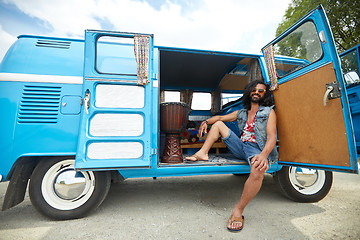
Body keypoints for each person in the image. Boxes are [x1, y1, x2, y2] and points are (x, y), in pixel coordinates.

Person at [185, 80, 278, 232]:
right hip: (241, 147)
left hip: (257, 149)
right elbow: (221, 118)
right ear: (249, 92)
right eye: (254, 90)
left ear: (265, 94)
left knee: (258, 170)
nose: (257, 92)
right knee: (218, 125)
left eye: (261, 91)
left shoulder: (269, 112)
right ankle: (202, 153)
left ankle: (238, 211)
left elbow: (272, 137)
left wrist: (263, 155)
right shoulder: (241, 113)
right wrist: (206, 121)